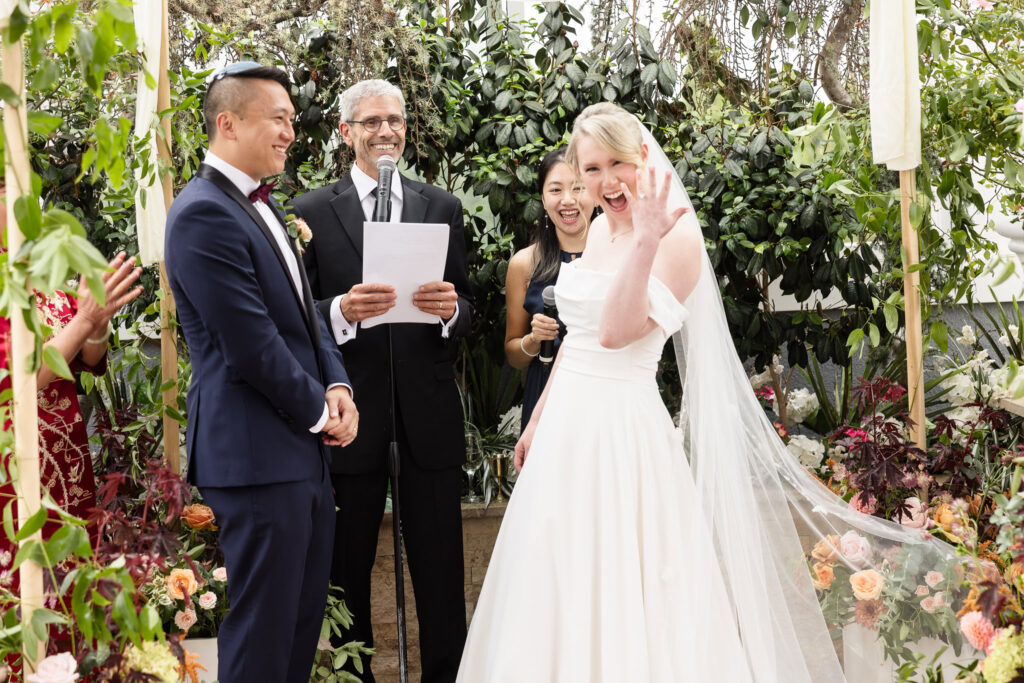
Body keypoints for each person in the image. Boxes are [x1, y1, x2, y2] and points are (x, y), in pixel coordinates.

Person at [458, 103, 957, 682]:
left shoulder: (676, 238)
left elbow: (619, 332)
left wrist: (644, 239)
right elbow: (580, 338)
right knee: (553, 573)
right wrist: (539, 416)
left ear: (643, 157)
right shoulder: (595, 229)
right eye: (591, 169)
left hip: (623, 433)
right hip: (566, 428)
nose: (607, 182)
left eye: (617, 162)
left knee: (626, 578)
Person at [164, 62, 357, 683]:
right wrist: (322, 413)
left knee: (298, 630)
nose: (289, 133)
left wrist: (336, 383)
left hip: (296, 452)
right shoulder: (202, 214)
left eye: (290, 121)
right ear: (228, 123)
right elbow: (251, 346)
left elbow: (305, 318)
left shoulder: (265, 208)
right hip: (254, 455)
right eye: (278, 119)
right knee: (261, 636)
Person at [292, 79, 471, 683]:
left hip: (428, 420)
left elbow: (470, 308)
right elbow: (293, 317)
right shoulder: (311, 211)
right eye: (371, 122)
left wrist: (450, 309)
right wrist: (341, 310)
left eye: (394, 120)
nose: (386, 131)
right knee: (345, 573)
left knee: (442, 573)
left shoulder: (440, 206)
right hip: (349, 419)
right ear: (347, 132)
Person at [0, 239, 143, 594]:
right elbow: (19, 377)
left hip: (65, 460)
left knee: (71, 574)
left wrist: (98, 323)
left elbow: (88, 359)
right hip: (14, 463)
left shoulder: (37, 270)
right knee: (24, 578)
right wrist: (84, 320)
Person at [504, 149, 596, 429]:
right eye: (556, 190)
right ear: (543, 199)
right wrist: (533, 340)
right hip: (546, 396)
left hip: (604, 393)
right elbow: (513, 355)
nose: (568, 200)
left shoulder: (619, 256)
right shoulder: (523, 264)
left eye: (578, 188)